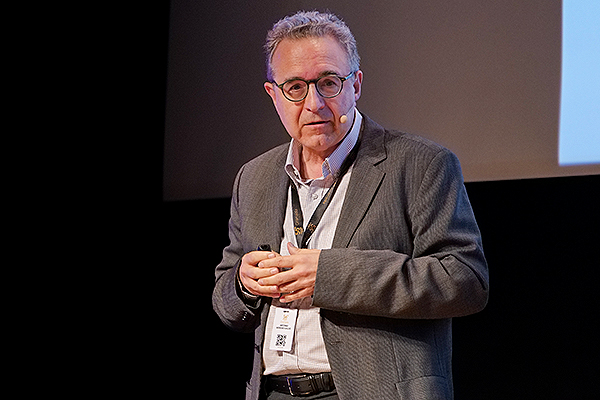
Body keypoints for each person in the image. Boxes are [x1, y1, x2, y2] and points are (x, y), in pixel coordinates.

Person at [212, 10, 489, 400]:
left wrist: (328, 273)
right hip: (273, 392)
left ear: (355, 85)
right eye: (294, 87)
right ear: (273, 95)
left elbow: (465, 281)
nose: (313, 104)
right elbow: (226, 300)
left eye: (328, 82)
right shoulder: (254, 177)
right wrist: (243, 284)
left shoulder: (420, 164)